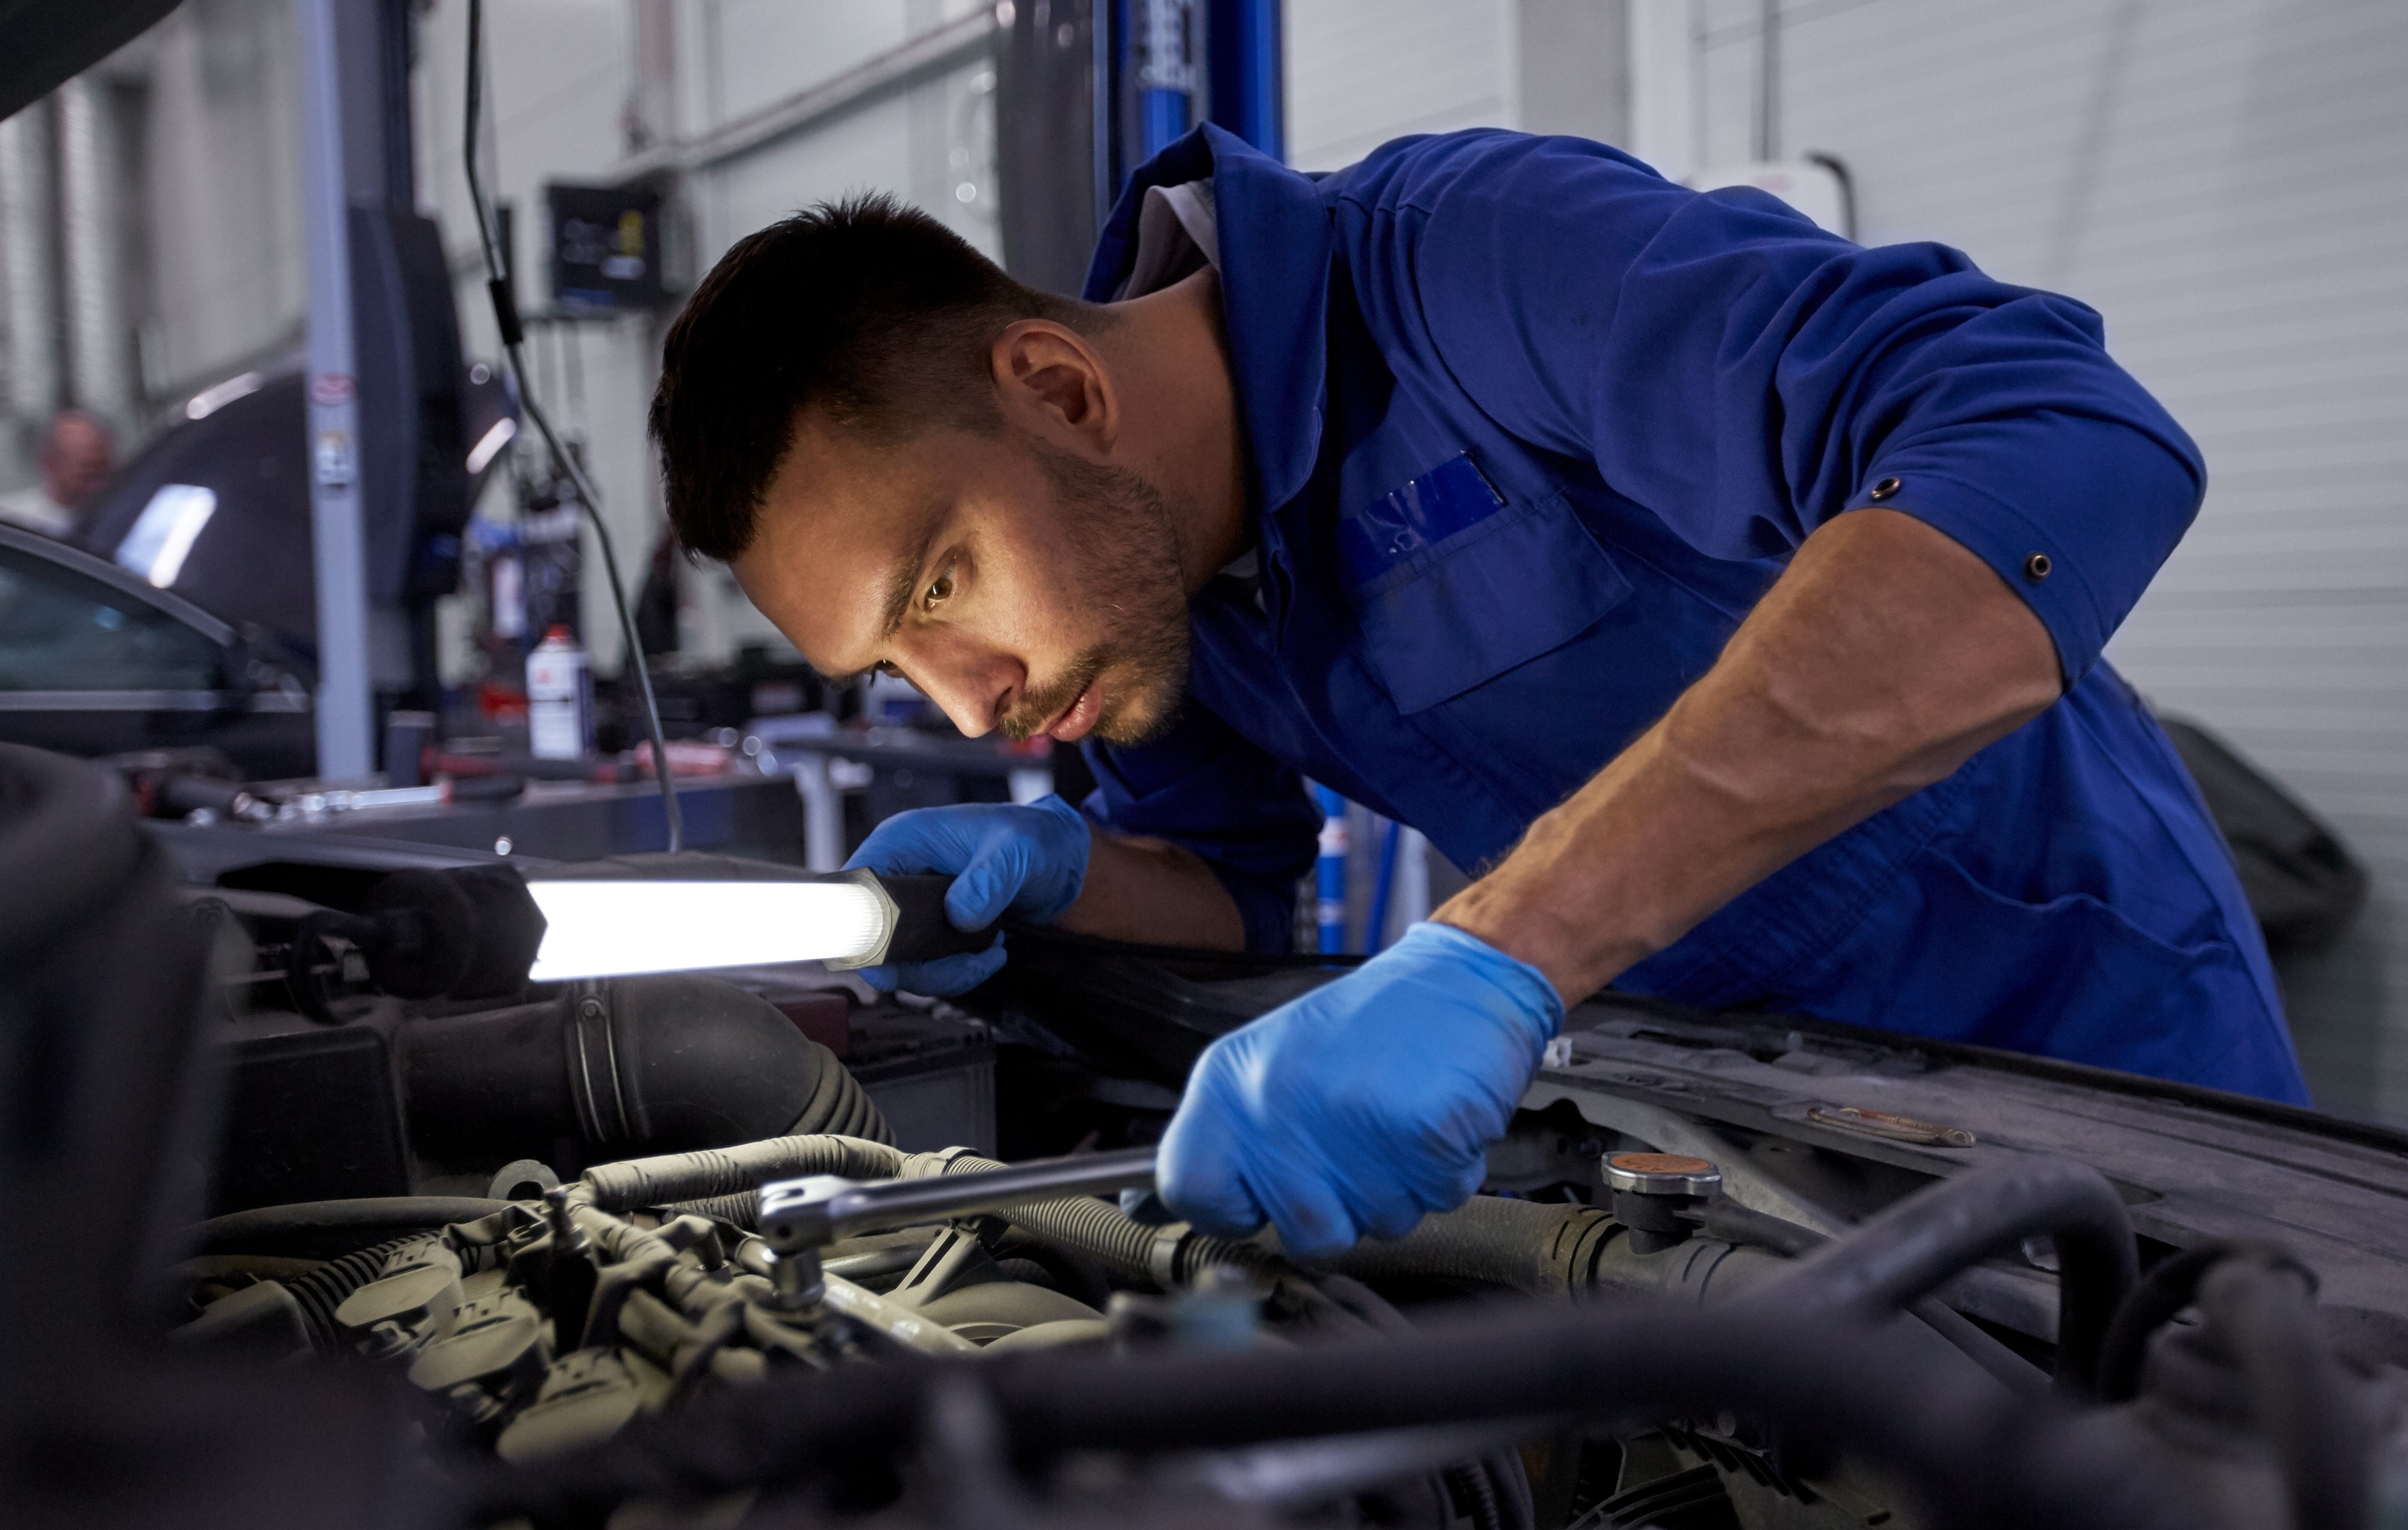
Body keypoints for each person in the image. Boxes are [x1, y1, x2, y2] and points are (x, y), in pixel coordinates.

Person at [648, 126, 2309, 1259]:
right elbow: (1232, 883)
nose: (964, 698)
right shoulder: (1149, 597)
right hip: (1725, 1126)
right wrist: (1066, 873)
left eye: (939, 584)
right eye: (894, 658)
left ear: (1059, 385)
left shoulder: (1473, 267)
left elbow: (2060, 439)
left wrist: (1508, 946)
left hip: (2092, 1054)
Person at [0, 409, 115, 534]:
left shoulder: (120, 517)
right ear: (49, 463)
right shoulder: (13, 522)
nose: (97, 477)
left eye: (103, 466)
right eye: (87, 467)